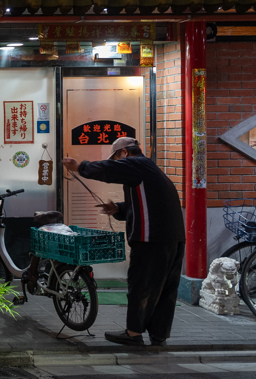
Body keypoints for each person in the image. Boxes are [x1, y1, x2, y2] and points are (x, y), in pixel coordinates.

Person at [61, 137, 185, 347]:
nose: (118, 164)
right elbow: (144, 204)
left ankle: (133, 333)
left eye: (118, 158)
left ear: (125, 153)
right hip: (173, 238)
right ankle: (158, 334)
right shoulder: (148, 170)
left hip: (151, 239)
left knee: (141, 285)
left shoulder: (137, 164)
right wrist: (118, 208)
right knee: (164, 289)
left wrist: (80, 167)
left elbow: (108, 170)